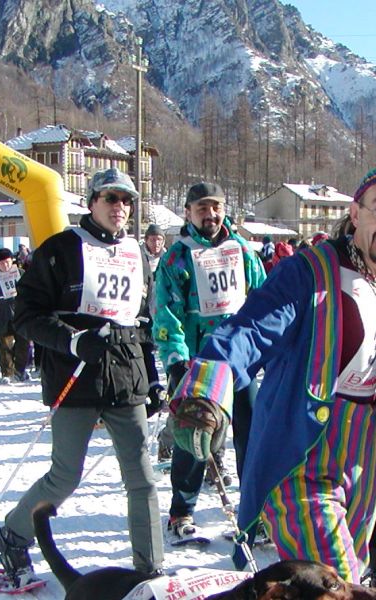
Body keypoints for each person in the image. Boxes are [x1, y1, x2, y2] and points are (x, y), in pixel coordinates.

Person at [168, 164, 376, 583]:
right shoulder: (308, 272)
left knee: (343, 576)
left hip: (366, 455)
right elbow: (249, 329)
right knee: (335, 584)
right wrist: (207, 386)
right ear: (356, 214)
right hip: (302, 454)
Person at [0, 168, 163, 587]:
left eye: (126, 201)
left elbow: (144, 322)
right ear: (92, 202)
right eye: (111, 199)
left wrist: (153, 376)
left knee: (142, 478)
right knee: (65, 474)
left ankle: (148, 570)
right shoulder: (61, 249)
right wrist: (72, 341)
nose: (120, 208)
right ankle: (13, 533)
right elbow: (26, 316)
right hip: (76, 375)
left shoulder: (136, 253)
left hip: (126, 375)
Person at [152, 181, 267, 539]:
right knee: (195, 439)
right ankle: (181, 511)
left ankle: (253, 512)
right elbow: (165, 311)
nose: (211, 214)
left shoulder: (243, 250)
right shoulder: (176, 257)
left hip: (242, 361)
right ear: (188, 212)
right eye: (202, 208)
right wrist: (176, 358)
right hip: (199, 364)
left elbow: (263, 297)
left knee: (252, 438)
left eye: (216, 207)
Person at [0, 248, 29, 383]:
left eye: (8, 262)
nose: (5, 265)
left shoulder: (21, 274)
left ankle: (20, 370)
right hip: (2, 315)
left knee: (23, 344)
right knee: (5, 345)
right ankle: (7, 373)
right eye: (2, 263)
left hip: (21, 313)